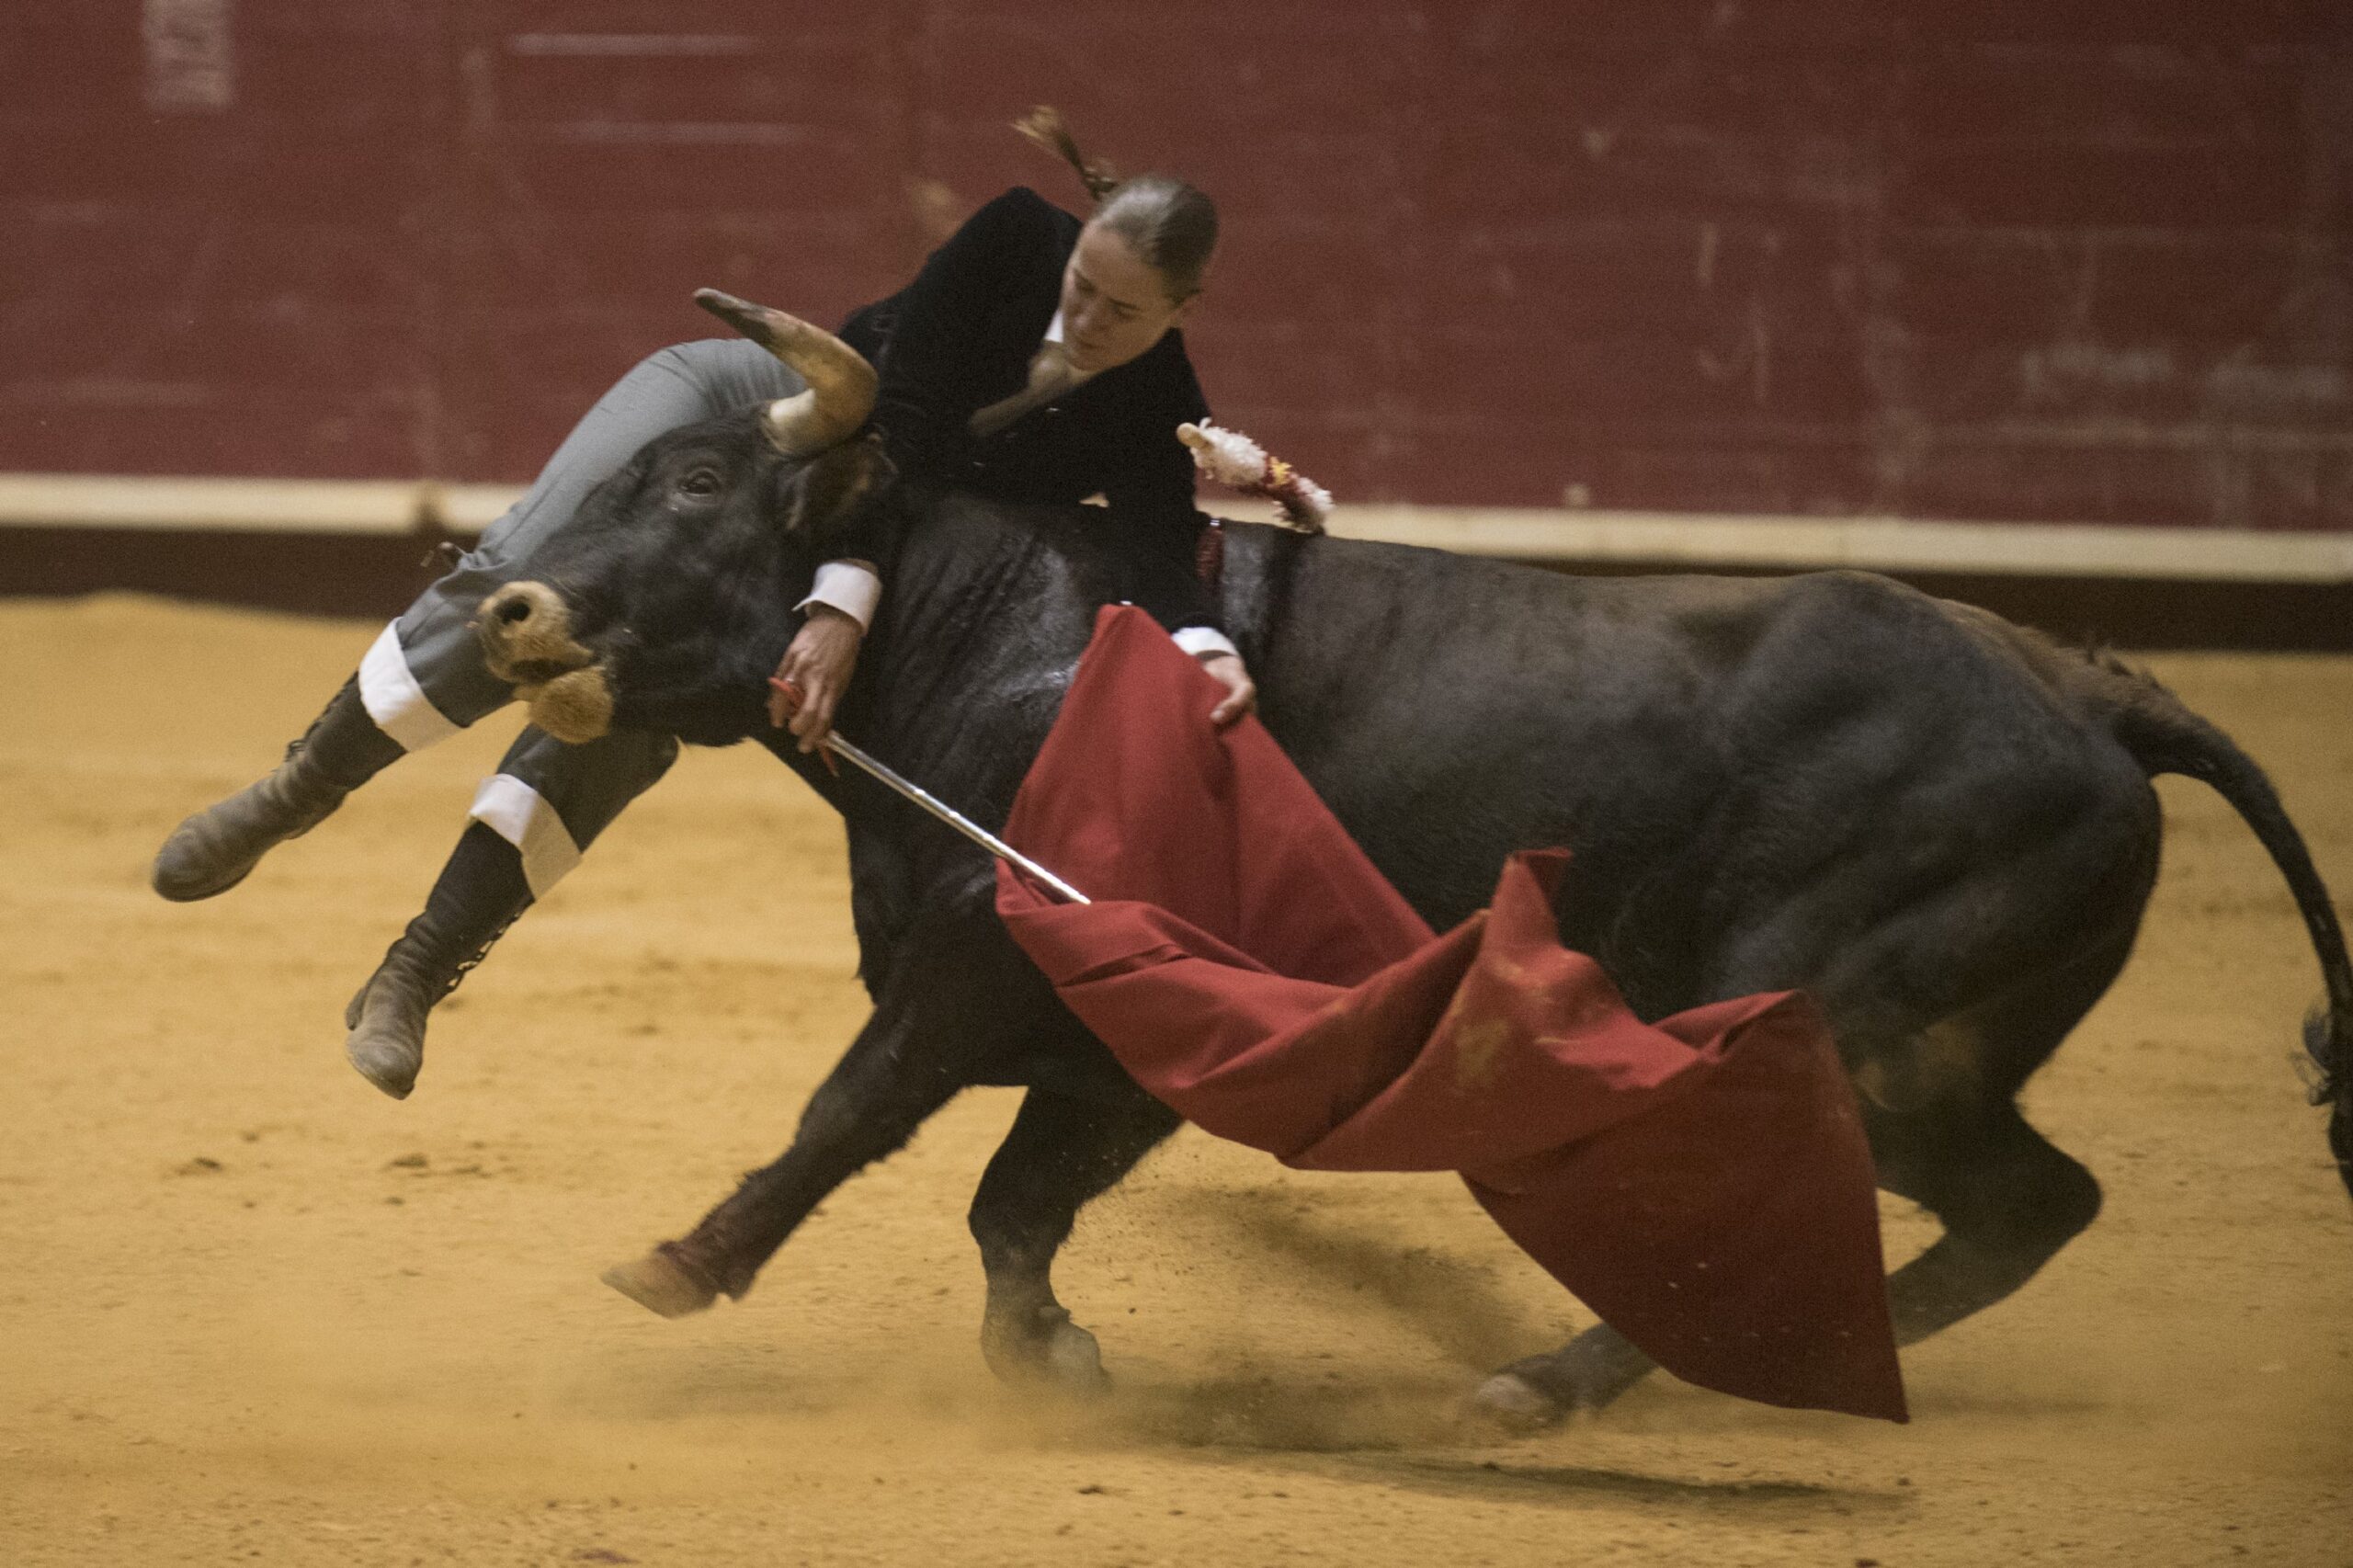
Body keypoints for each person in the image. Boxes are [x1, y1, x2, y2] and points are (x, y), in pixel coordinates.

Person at [150, 111, 1255, 1098]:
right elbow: (900, 431)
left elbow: (1157, 538)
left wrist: (1204, 645)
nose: (1090, 316)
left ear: (1184, 308)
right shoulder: (1017, 234)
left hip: (826, 533)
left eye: (1123, 311)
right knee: (528, 576)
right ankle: (299, 787)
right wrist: (840, 608)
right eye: (1082, 287)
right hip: (755, 419)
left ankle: (413, 972)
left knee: (628, 690)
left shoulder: (1163, 402)